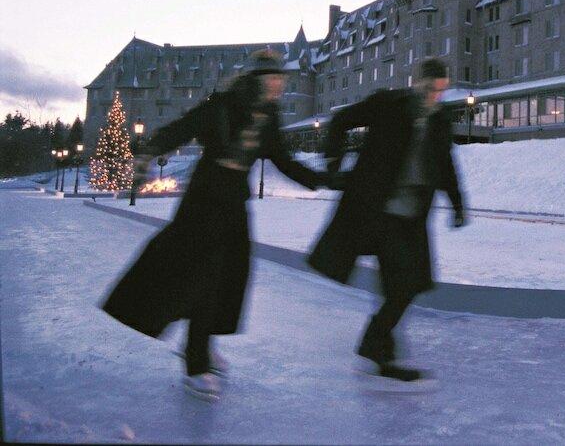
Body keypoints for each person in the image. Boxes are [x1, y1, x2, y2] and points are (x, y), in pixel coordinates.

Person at [101, 49, 324, 400]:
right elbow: (182, 128)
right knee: (203, 277)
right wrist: (148, 151)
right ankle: (196, 361)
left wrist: (321, 179)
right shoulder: (222, 105)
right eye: (272, 78)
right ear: (256, 81)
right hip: (204, 203)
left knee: (228, 278)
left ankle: (202, 343)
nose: (279, 84)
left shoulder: (269, 116)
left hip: (234, 203)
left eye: (281, 78)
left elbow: (282, 160)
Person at [308, 57, 467, 383]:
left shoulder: (439, 121)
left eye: (440, 90)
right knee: (401, 285)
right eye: (429, 88)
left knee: (410, 285)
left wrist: (458, 204)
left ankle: (380, 343)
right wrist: (334, 161)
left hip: (413, 216)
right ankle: (377, 346)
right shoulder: (388, 105)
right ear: (416, 82)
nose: (434, 96)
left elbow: (445, 164)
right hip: (379, 212)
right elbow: (341, 120)